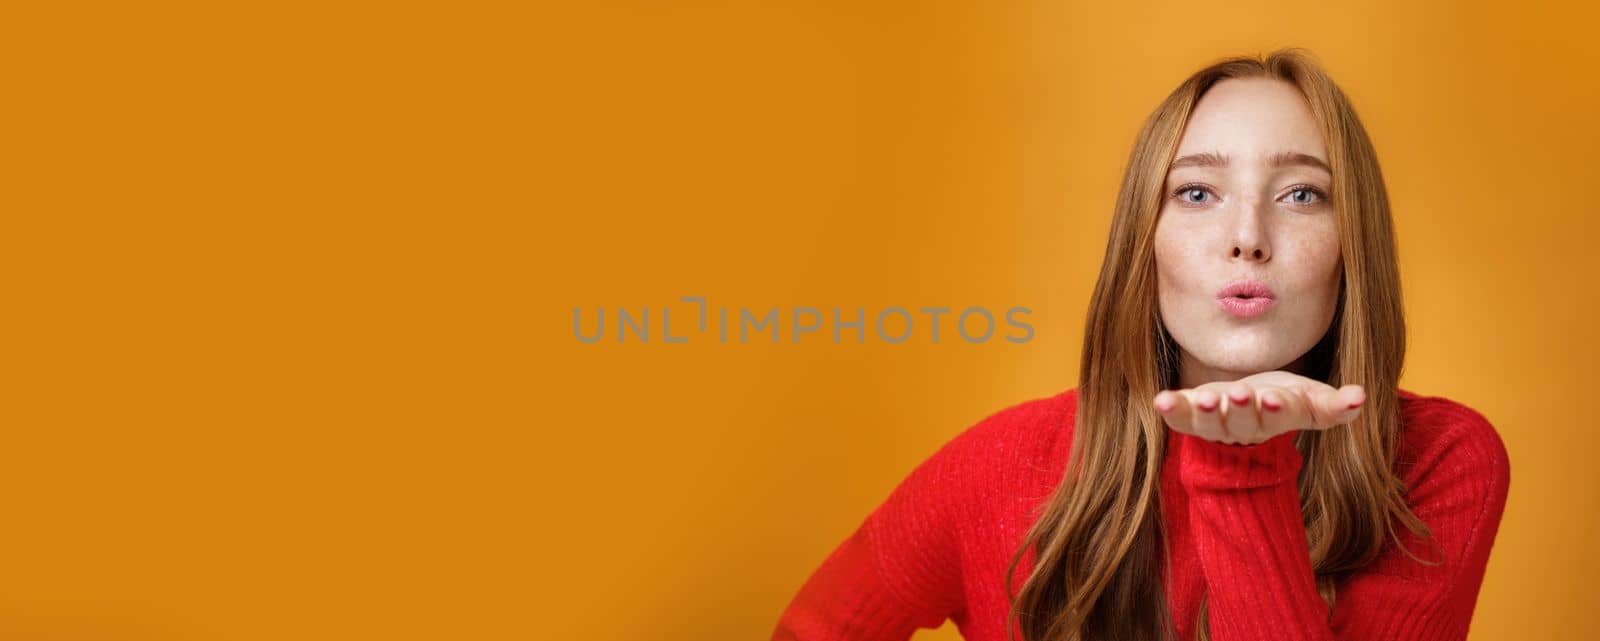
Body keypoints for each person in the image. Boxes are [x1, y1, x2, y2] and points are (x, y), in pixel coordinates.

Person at [770, 48, 1511, 641]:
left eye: (1301, 194)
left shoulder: (1440, 462)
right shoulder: (1003, 464)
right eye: (1196, 193)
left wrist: (1243, 465)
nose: (1247, 238)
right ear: (1143, 242)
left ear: (1355, 246)